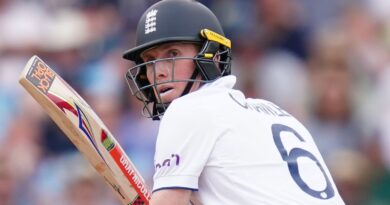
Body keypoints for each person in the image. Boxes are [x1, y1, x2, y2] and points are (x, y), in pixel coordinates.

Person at [122, 0, 345, 204]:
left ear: (213, 56)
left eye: (172, 54)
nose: (158, 72)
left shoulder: (188, 109)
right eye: (149, 61)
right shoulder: (274, 112)